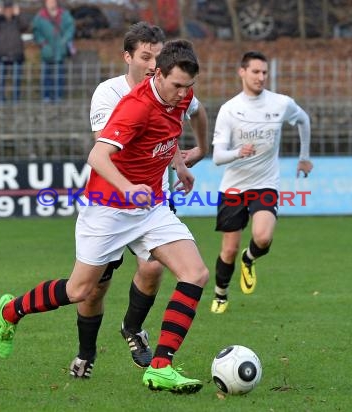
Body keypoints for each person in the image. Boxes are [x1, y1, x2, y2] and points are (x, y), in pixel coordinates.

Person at [0, 39, 209, 394]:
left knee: (195, 273)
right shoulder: (135, 107)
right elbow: (97, 156)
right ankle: (11, 312)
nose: (183, 94)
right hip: (107, 209)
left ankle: (161, 367)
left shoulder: (181, 95)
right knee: (80, 291)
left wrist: (194, 155)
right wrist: (126, 188)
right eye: (177, 86)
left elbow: (197, 114)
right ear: (157, 74)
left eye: (189, 86)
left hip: (151, 206)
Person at [69, 21, 208, 379]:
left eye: (156, 56)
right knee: (91, 290)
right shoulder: (110, 94)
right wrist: (130, 186)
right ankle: (86, 353)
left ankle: (133, 330)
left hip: (153, 198)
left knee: (154, 267)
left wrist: (184, 160)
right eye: (145, 56)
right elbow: (109, 150)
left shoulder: (174, 90)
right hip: (111, 201)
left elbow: (179, 121)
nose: (151, 64)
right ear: (128, 56)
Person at [209, 51, 313, 314]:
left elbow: (303, 120)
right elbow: (218, 156)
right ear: (242, 72)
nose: (261, 77)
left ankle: (250, 258)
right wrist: (238, 152)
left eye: (264, 72)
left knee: (263, 237)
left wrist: (304, 157)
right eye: (255, 71)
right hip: (233, 187)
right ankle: (221, 293)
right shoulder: (229, 110)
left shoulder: (281, 103)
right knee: (229, 250)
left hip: (265, 183)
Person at [32, 0, 75, 102]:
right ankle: (46, 96)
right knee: (46, 75)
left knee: (60, 75)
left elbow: (71, 28)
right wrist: (43, 43)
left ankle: (58, 96)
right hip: (47, 51)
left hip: (60, 50)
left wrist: (65, 40)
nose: (51, 3)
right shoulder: (40, 16)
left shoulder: (64, 15)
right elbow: (36, 31)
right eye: (49, 1)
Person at [0, 0, 28, 103]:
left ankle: (16, 99)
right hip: (2, 54)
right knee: (0, 79)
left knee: (16, 80)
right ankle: (0, 99)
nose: (8, 11)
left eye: (10, 9)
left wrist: (19, 14)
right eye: (6, 9)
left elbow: (25, 26)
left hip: (16, 53)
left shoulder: (17, 21)